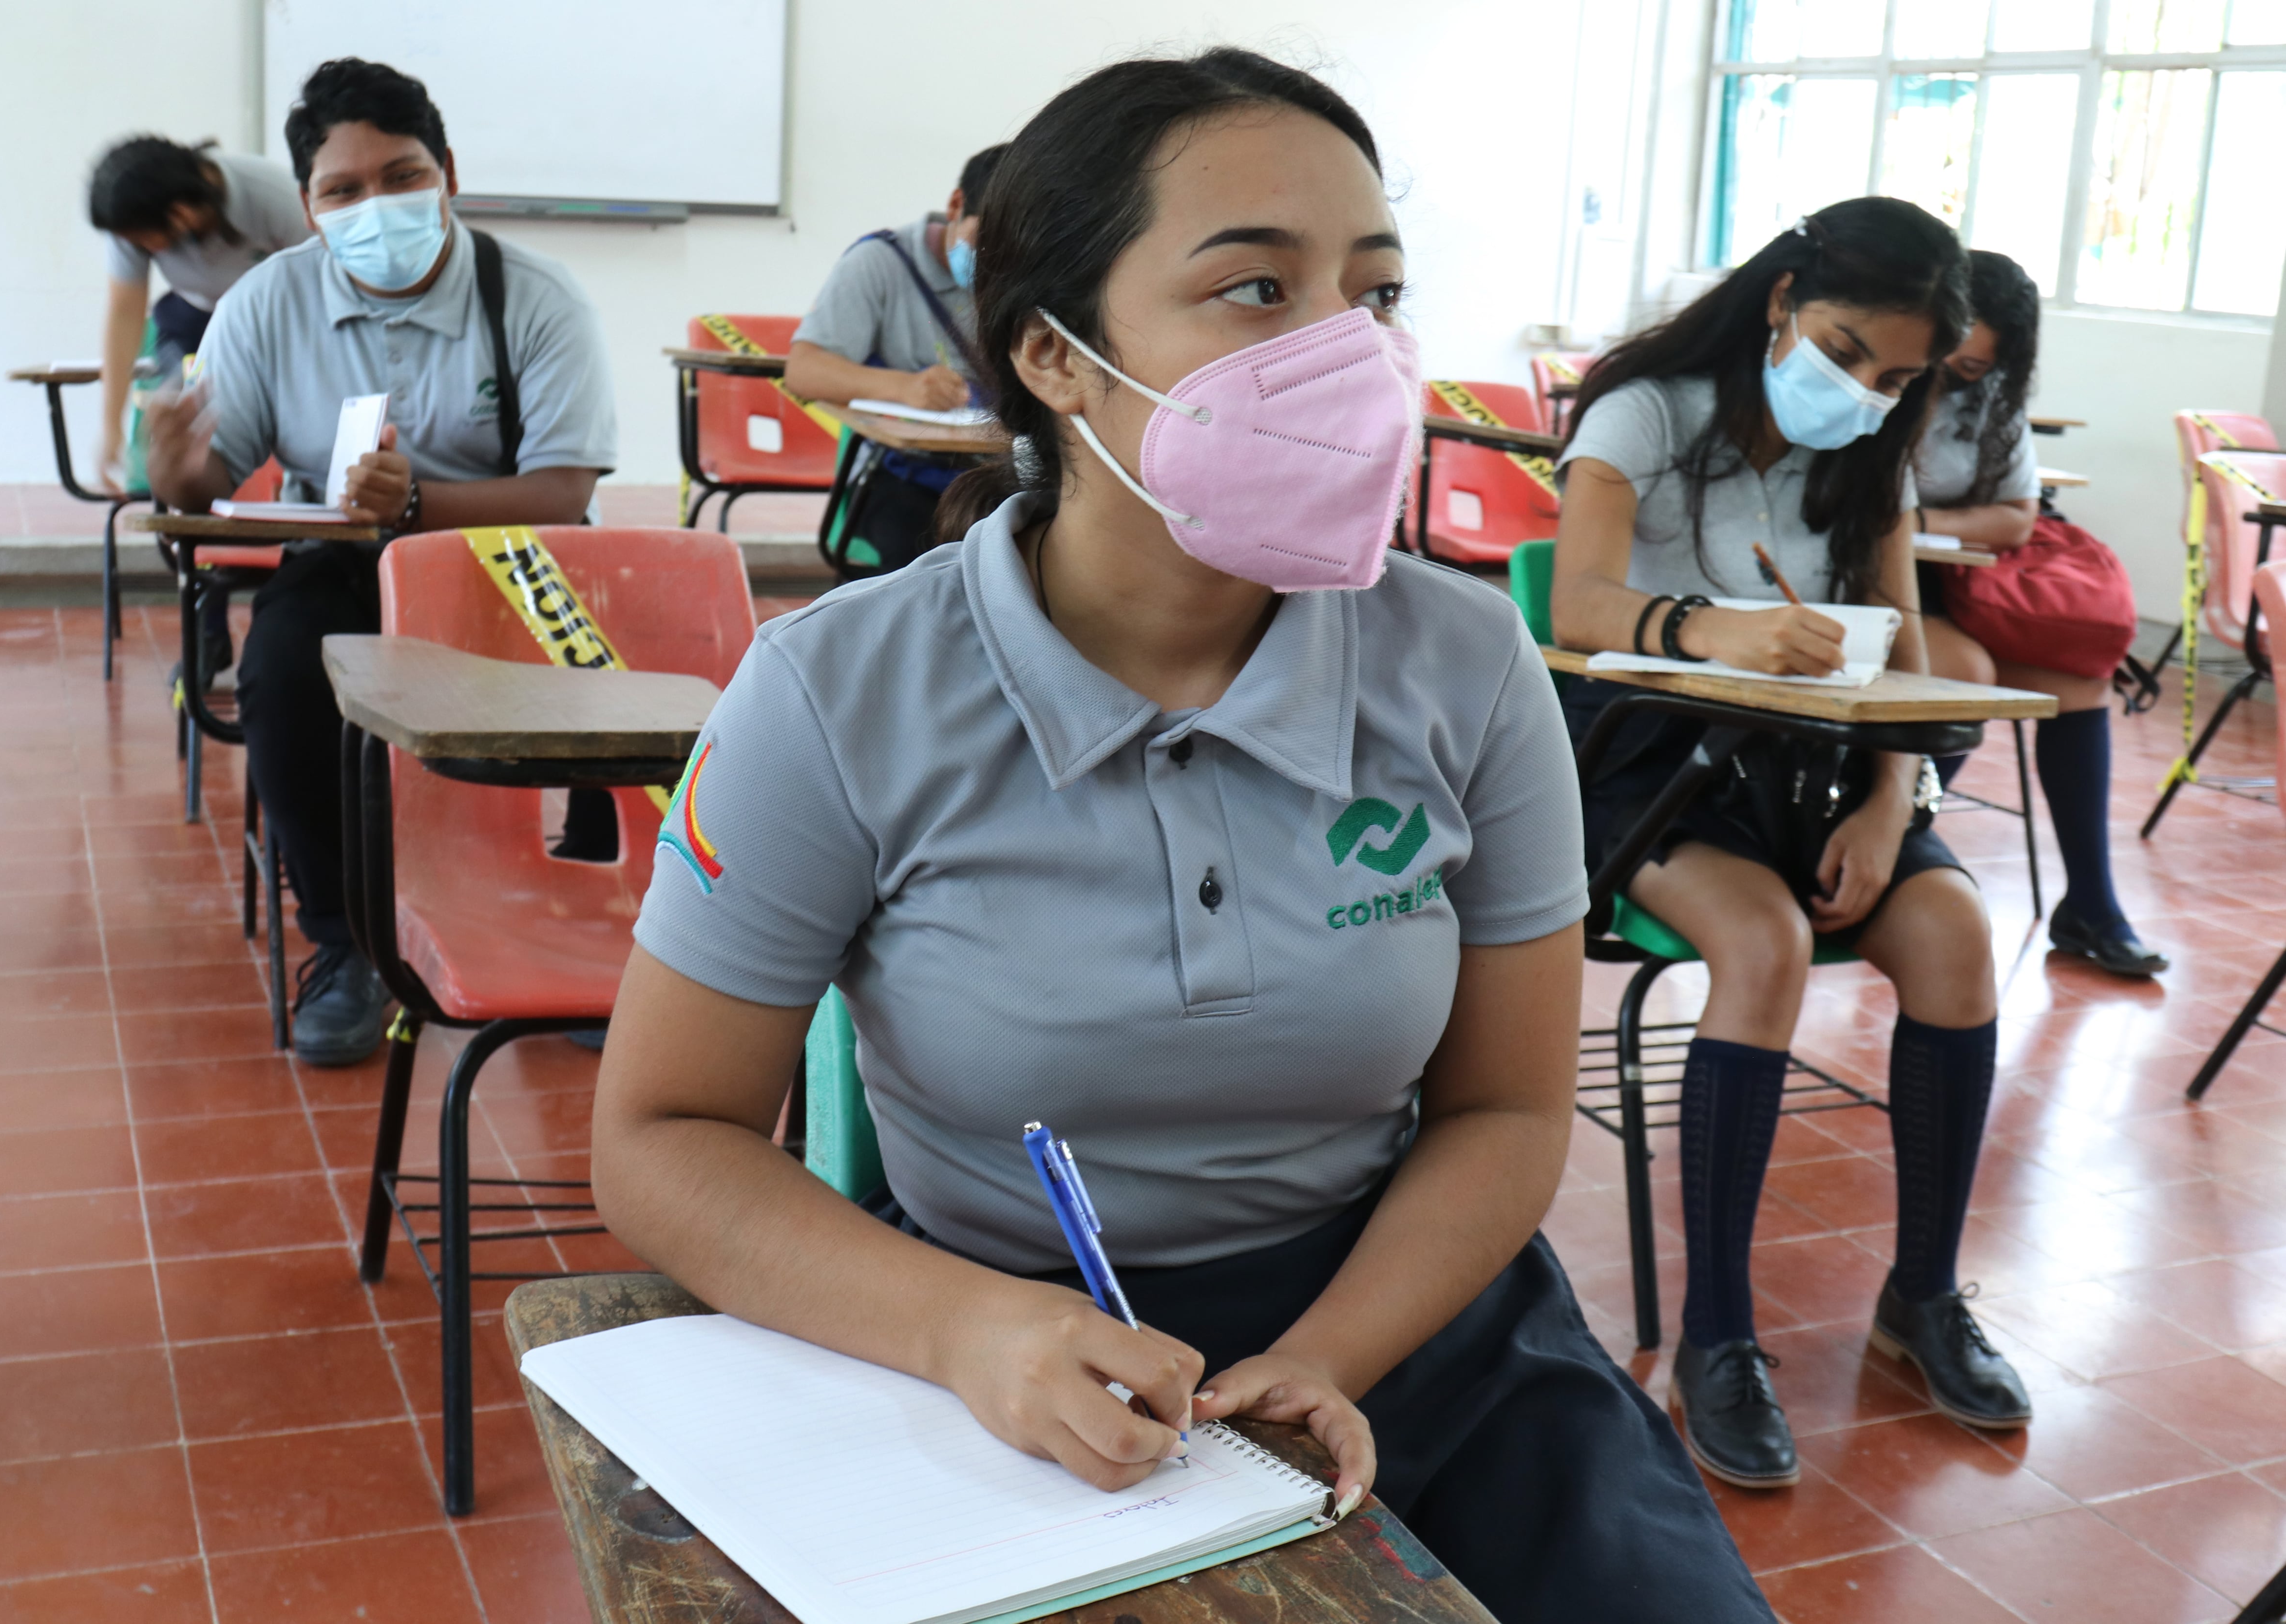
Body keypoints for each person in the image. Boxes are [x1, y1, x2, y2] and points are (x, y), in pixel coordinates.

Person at [594, 47, 1773, 1620]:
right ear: (1057, 357)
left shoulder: (1462, 657)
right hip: (995, 1350)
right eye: (1253, 292)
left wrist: (1325, 1360)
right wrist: (968, 1333)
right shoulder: (841, 688)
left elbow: (1502, 1107)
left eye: (1373, 292)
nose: (1346, 354)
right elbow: (665, 1138)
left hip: (1408, 1318)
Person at [1550, 198, 2031, 1492]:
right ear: (1781, 300)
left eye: (1896, 373)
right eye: (1844, 350)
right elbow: (1577, 596)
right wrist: (1716, 630)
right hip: (1647, 751)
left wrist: (1888, 805)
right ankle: (1720, 1334)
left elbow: (1907, 656)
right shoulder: (1646, 408)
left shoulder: (1872, 443)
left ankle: (1922, 1296)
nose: (1865, 390)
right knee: (1759, 941)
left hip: (1819, 768)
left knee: (1954, 933)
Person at [144, 58, 616, 1068]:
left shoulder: (535, 298)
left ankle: (578, 911)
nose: (376, 207)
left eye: (401, 177)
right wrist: (176, 471)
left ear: (448, 171)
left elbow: (564, 491)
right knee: (279, 671)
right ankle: (343, 940)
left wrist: (418, 502)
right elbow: (203, 487)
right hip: (347, 553)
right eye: (343, 191)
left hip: (507, 554)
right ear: (309, 209)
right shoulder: (268, 303)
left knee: (610, 673)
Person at [1915, 250, 2166, 978]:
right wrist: (1943, 523)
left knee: (2080, 684)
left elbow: (2017, 520)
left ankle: (2090, 903)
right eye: (1947, 355)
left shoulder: (1990, 401)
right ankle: (1890, 841)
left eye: (1971, 366)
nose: (1953, 371)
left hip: (1949, 585)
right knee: (1967, 673)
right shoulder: (1881, 375)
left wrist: (1919, 519)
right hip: (1864, 584)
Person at [782, 144, 1008, 574]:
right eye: (987, 241)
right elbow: (804, 370)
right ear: (957, 205)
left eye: (1012, 248)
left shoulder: (1028, 278)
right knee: (917, 565)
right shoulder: (881, 264)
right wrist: (904, 388)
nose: (997, 262)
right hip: (901, 475)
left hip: (998, 473)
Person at [87, 136, 313, 495]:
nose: (142, 249)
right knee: (177, 408)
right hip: (194, 319)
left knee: (274, 407)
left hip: (285, 320)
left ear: (181, 215)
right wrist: (111, 424)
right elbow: (124, 315)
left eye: (146, 241)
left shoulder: (274, 197)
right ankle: (176, 501)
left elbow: (320, 290)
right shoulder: (130, 224)